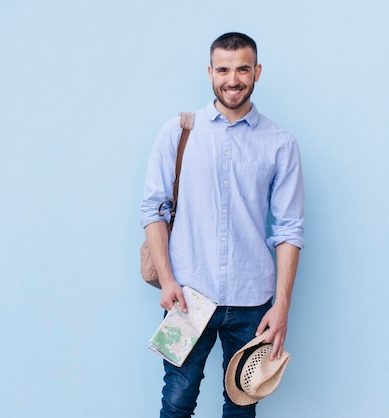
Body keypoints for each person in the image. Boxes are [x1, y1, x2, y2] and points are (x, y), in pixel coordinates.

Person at [140, 32, 304, 418]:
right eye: (224, 69)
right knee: (176, 402)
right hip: (187, 297)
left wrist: (282, 305)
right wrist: (166, 280)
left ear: (257, 72)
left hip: (253, 302)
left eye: (243, 69)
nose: (233, 79)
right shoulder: (179, 132)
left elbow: (289, 228)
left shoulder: (281, 143)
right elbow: (153, 211)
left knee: (242, 407)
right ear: (210, 72)